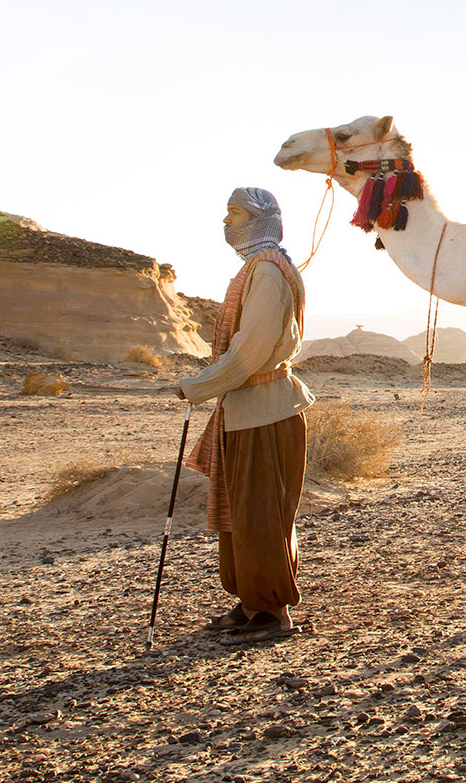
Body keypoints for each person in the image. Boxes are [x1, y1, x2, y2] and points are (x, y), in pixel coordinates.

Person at [168, 187, 313, 645]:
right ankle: (254, 603)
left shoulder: (267, 271)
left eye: (236, 213)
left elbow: (250, 352)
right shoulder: (259, 266)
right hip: (248, 409)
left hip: (264, 409)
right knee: (245, 514)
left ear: (261, 218)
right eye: (227, 213)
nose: (226, 222)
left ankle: (271, 611)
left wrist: (198, 387)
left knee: (260, 515)